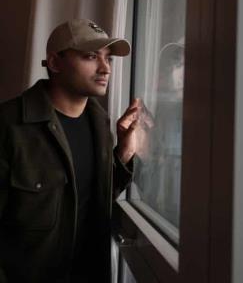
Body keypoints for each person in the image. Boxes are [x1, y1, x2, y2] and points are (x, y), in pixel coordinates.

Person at [0, 19, 142, 282]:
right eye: (91, 56)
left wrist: (122, 154)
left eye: (108, 58)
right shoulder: (9, 125)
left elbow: (88, 199)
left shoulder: (100, 123)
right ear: (54, 63)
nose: (105, 68)